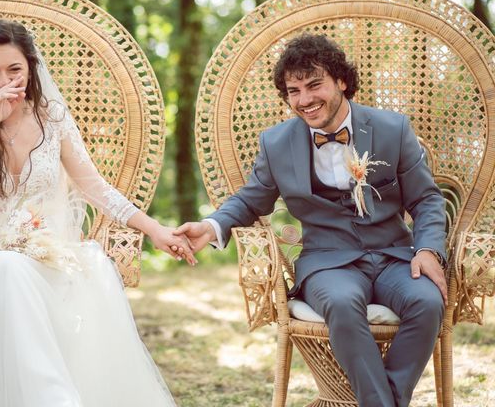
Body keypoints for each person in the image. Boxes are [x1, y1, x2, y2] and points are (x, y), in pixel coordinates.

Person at [0, 19, 195, 407]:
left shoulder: (51, 117)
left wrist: (154, 229)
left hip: (42, 251)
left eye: (14, 69)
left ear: (30, 68)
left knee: (91, 264)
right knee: (5, 270)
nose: (2, 79)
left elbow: (94, 185)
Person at [176, 34, 447, 406]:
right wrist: (209, 227)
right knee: (340, 302)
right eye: (294, 90)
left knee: (428, 302)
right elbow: (251, 200)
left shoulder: (392, 129)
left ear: (341, 81)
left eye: (314, 84)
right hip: (327, 262)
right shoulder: (276, 143)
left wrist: (429, 248)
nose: (304, 100)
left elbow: (426, 198)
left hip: (394, 255)